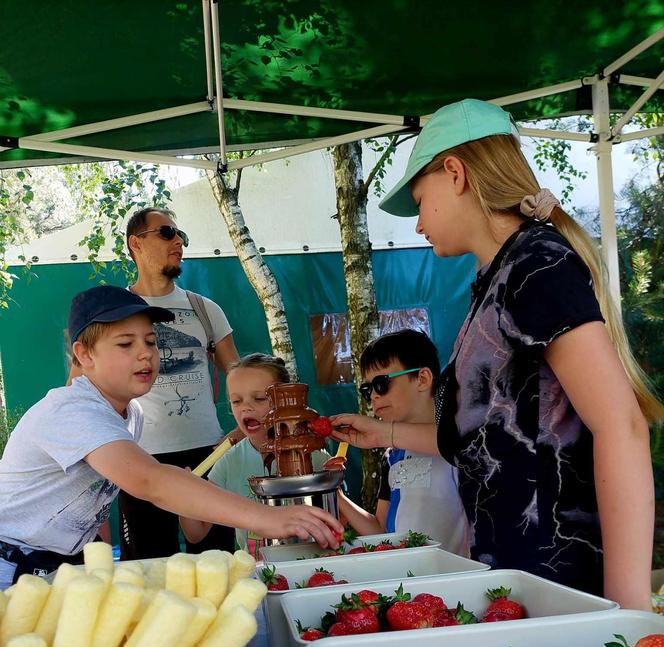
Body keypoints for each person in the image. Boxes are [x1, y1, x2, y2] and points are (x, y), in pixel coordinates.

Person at [332, 98, 663, 610]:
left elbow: (621, 425)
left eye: (420, 200)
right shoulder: (496, 276)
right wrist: (381, 433)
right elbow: (489, 441)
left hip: (560, 582)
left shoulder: (537, 265)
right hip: (514, 577)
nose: (418, 223)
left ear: (455, 172)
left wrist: (629, 608)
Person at [0, 287, 341, 589]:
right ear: (85, 355)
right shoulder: (72, 411)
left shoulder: (131, 414)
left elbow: (96, 505)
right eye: (125, 344)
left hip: (59, 565)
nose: (146, 353)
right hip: (11, 564)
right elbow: (151, 481)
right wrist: (267, 517)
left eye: (151, 341)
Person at [119, 206, 240, 559]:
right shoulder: (114, 313)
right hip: (141, 459)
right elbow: (79, 391)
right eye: (167, 233)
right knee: (146, 570)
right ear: (135, 244)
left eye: (181, 236)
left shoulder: (206, 309)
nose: (179, 243)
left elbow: (238, 376)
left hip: (209, 452)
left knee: (217, 564)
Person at [180, 353, 333, 555]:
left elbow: (338, 527)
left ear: (285, 400)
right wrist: (184, 494)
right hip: (259, 573)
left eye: (259, 399)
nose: (246, 407)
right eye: (236, 401)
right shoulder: (228, 462)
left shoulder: (313, 455)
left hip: (315, 565)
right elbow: (196, 532)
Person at [334, 330, 469, 555]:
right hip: (406, 585)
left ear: (423, 379)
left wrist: (382, 433)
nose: (374, 397)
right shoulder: (392, 455)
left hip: (455, 579)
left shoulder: (464, 439)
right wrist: (337, 496)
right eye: (367, 391)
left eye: (381, 384)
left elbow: (451, 443)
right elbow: (382, 533)